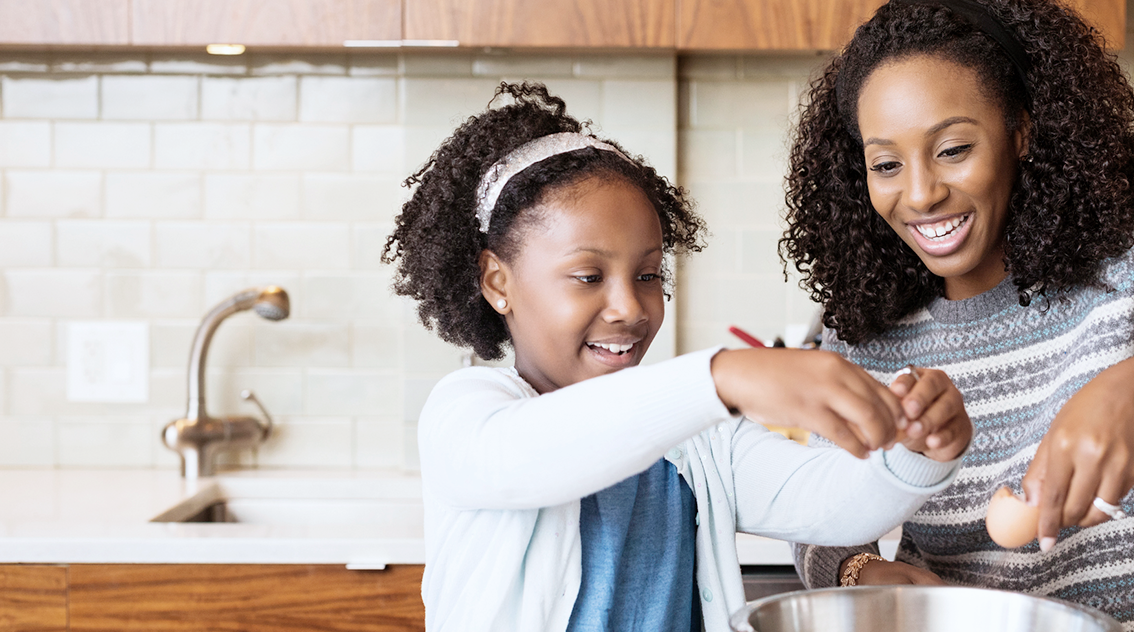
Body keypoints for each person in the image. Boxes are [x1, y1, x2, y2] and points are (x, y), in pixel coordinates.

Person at [779, 1, 1134, 630]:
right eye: (886, 164)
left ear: (1022, 130)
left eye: (954, 149)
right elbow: (817, 509)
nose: (919, 194)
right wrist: (860, 572)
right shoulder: (865, 327)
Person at [382, 81, 975, 632]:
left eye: (647, 274)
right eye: (588, 276)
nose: (629, 307)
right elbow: (525, 455)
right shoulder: (467, 413)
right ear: (497, 282)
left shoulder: (698, 442)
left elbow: (829, 504)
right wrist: (725, 375)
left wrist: (916, 450)